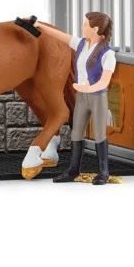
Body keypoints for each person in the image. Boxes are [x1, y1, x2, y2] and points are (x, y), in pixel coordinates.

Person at [36, 12, 115, 185]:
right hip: (81, 97)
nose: (82, 27)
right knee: (76, 132)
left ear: (95, 29)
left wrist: (88, 88)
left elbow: (104, 81)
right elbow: (62, 36)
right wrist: (39, 26)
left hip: (97, 97)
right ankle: (73, 170)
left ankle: (103, 172)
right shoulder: (81, 45)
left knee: (99, 134)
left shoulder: (107, 54)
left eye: (85, 24)